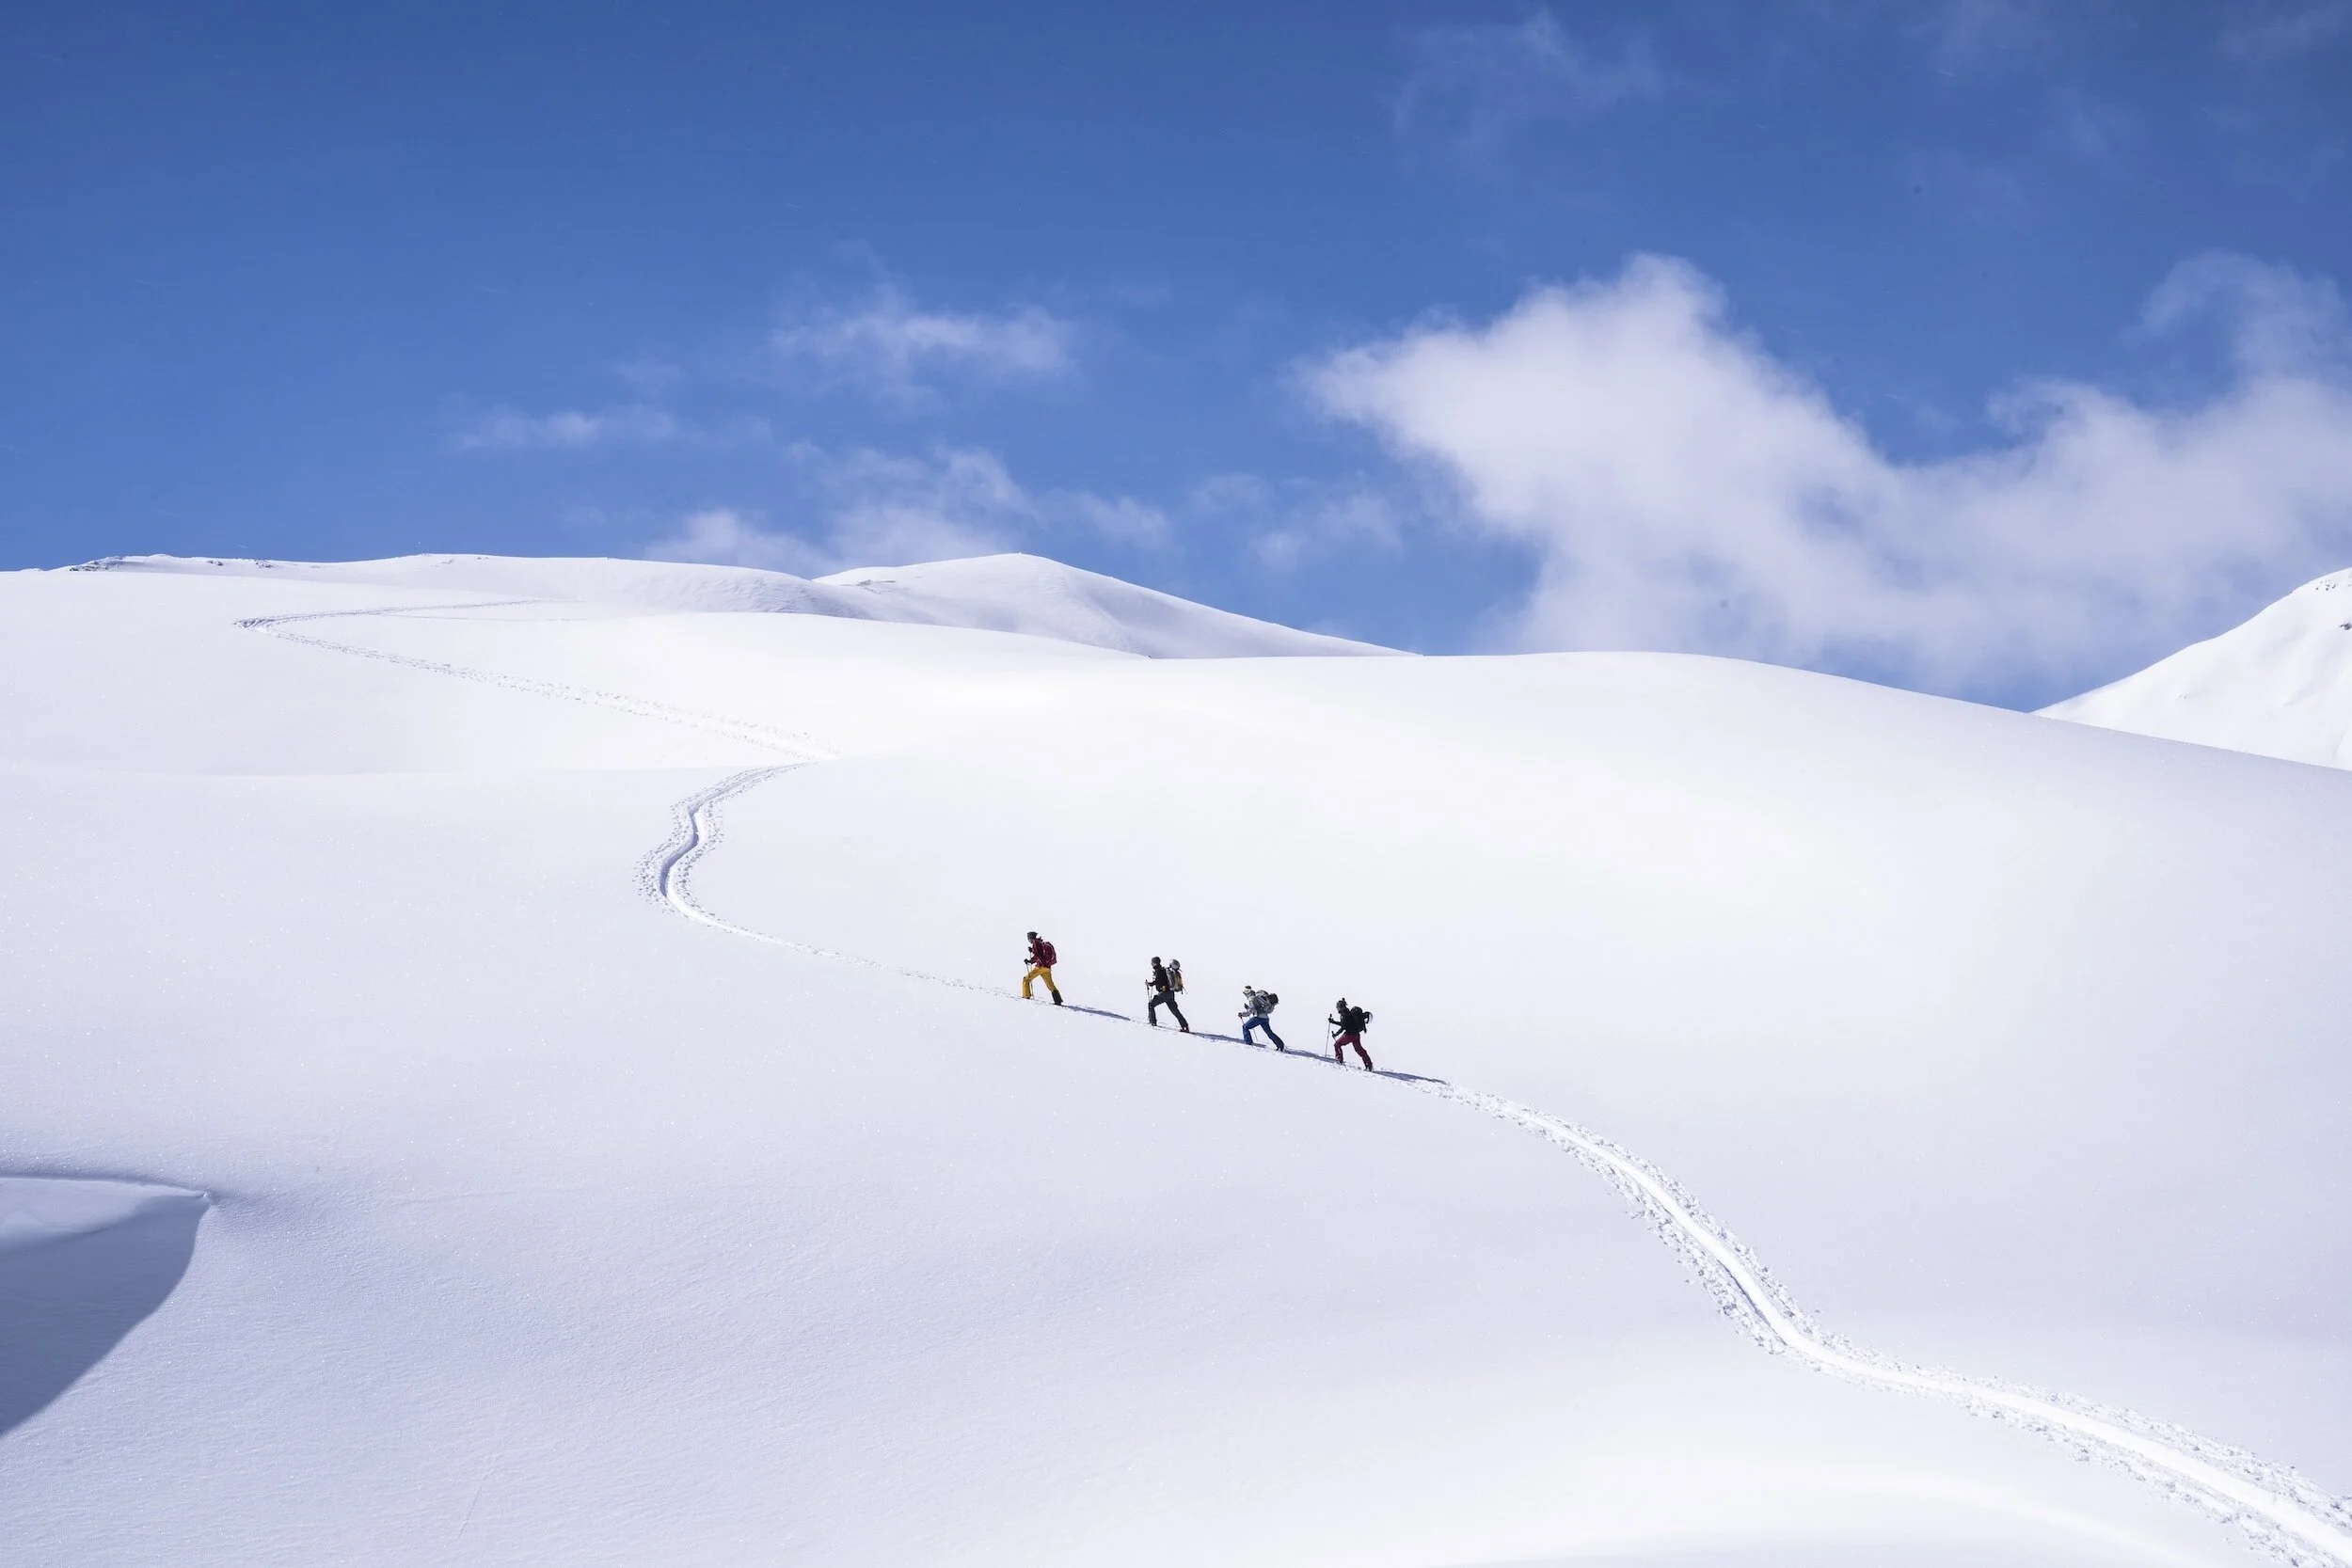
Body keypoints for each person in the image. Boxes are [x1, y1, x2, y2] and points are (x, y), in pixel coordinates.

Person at [1327, 997, 1374, 1069]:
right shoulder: (1348, 1013)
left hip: (1349, 1035)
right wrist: (1333, 1022)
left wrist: (1336, 1034)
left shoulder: (1344, 1015)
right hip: (1356, 1034)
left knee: (1337, 1045)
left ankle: (1339, 1061)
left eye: (1338, 1007)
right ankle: (1369, 1065)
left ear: (1341, 1007)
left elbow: (1343, 1027)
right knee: (1359, 1050)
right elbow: (1345, 1024)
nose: (1337, 1009)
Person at [1148, 957, 1189, 1032]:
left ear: (1155, 963)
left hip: (1164, 993)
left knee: (1151, 1004)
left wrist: (1151, 984)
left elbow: (1159, 981)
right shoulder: (1164, 970)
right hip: (1170, 994)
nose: (1151, 964)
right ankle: (1185, 1026)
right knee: (1175, 1011)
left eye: (1152, 963)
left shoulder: (1159, 971)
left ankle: (1152, 1022)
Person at [1239, 986, 1285, 1051]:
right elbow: (1258, 1008)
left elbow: (1252, 1010)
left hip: (1258, 1017)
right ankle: (1280, 1045)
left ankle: (1248, 1044)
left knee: (1245, 1027)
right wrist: (1248, 1008)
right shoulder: (1259, 997)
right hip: (1265, 1018)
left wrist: (1242, 1014)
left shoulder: (1252, 998)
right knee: (1269, 1033)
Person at [1022, 931, 1063, 1005]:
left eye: (1028, 938)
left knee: (1026, 979)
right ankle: (1058, 1000)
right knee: (1050, 985)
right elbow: (1040, 955)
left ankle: (1026, 996)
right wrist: (1032, 951)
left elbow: (1038, 955)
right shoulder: (1040, 942)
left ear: (1030, 938)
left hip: (1040, 967)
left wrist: (1030, 960)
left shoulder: (1035, 943)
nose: (1029, 940)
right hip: (1047, 967)